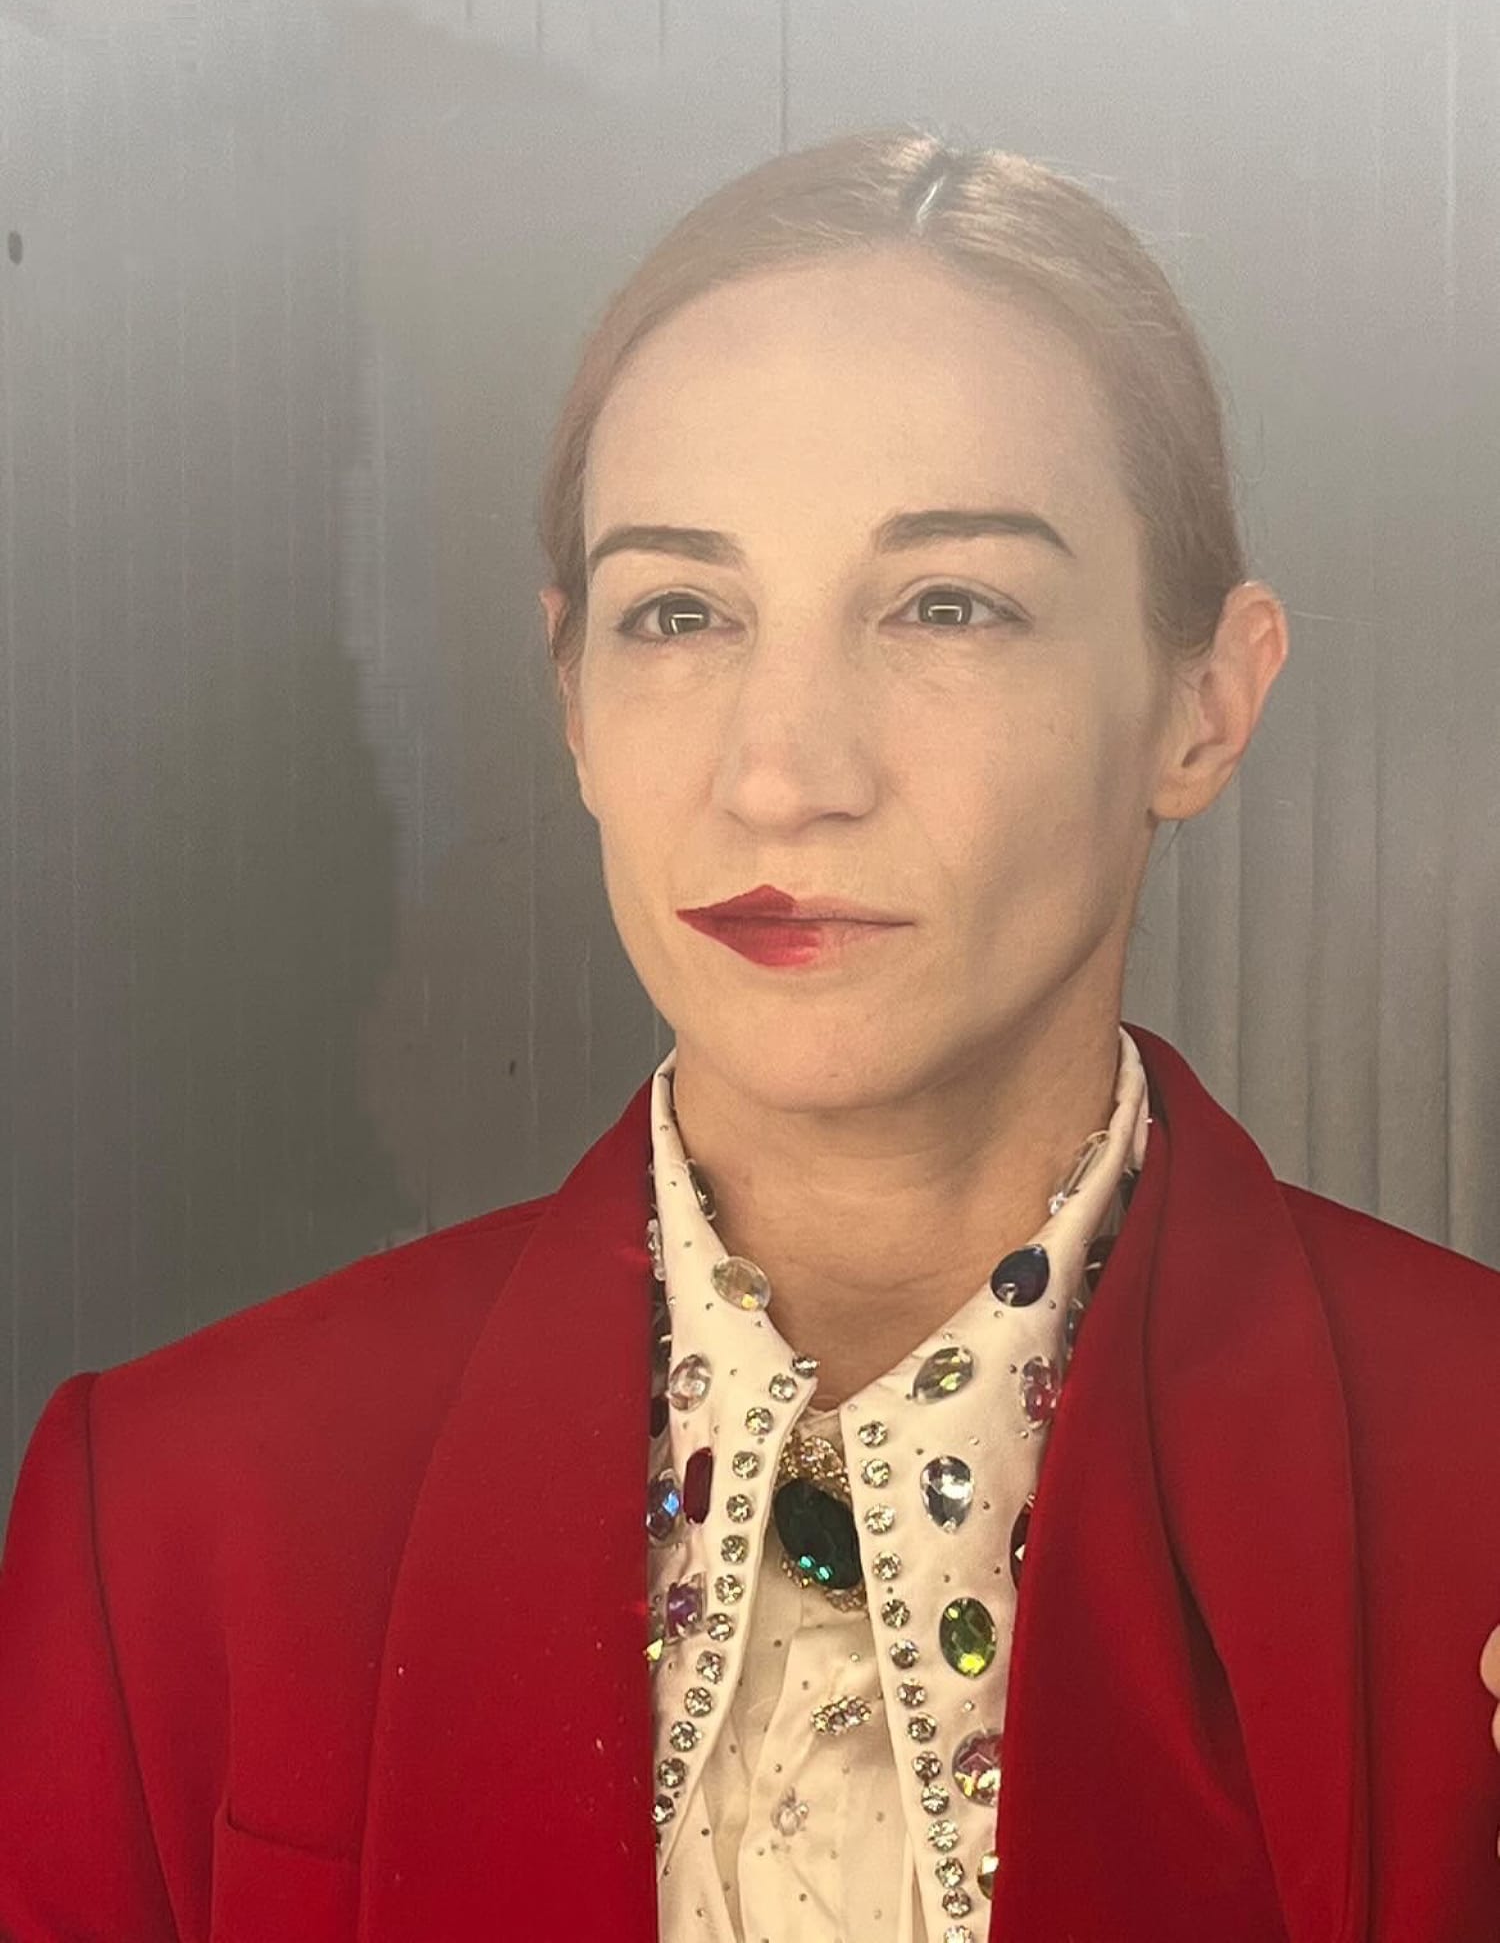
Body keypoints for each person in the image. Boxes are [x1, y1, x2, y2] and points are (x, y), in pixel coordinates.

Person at [1, 126, 1497, 1943]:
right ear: (571, 695)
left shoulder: (1475, 1473)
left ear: (1205, 702)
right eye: (681, 614)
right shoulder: (175, 1520)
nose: (781, 776)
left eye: (948, 604)